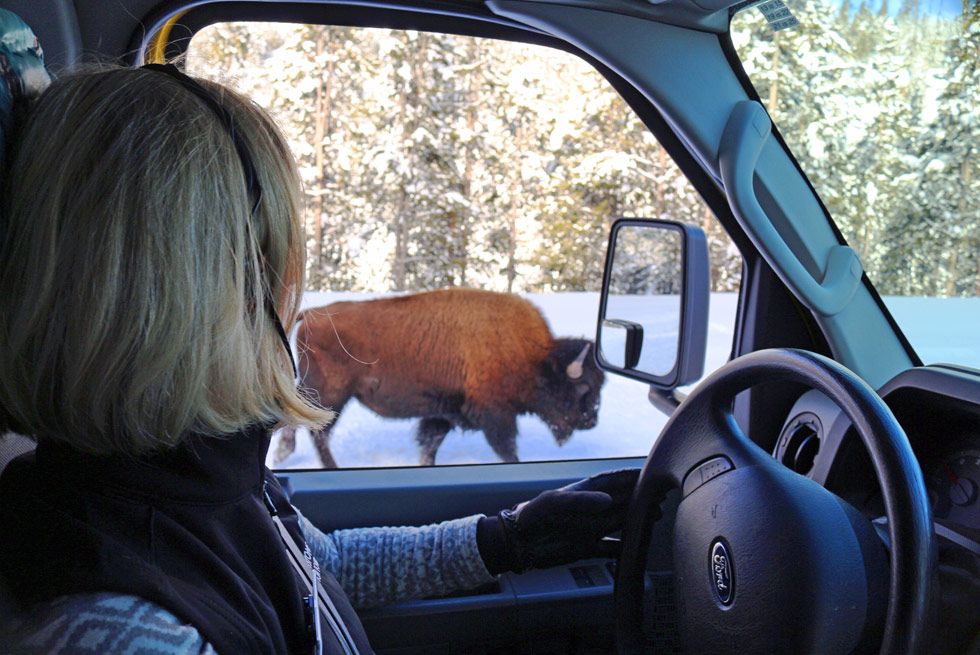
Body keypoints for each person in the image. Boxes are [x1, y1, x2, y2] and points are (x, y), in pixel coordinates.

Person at [0, 14, 638, 655]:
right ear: (192, 300)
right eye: (270, 262)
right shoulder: (118, 635)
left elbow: (316, 566)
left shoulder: (188, 479)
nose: (285, 302)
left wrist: (506, 539)